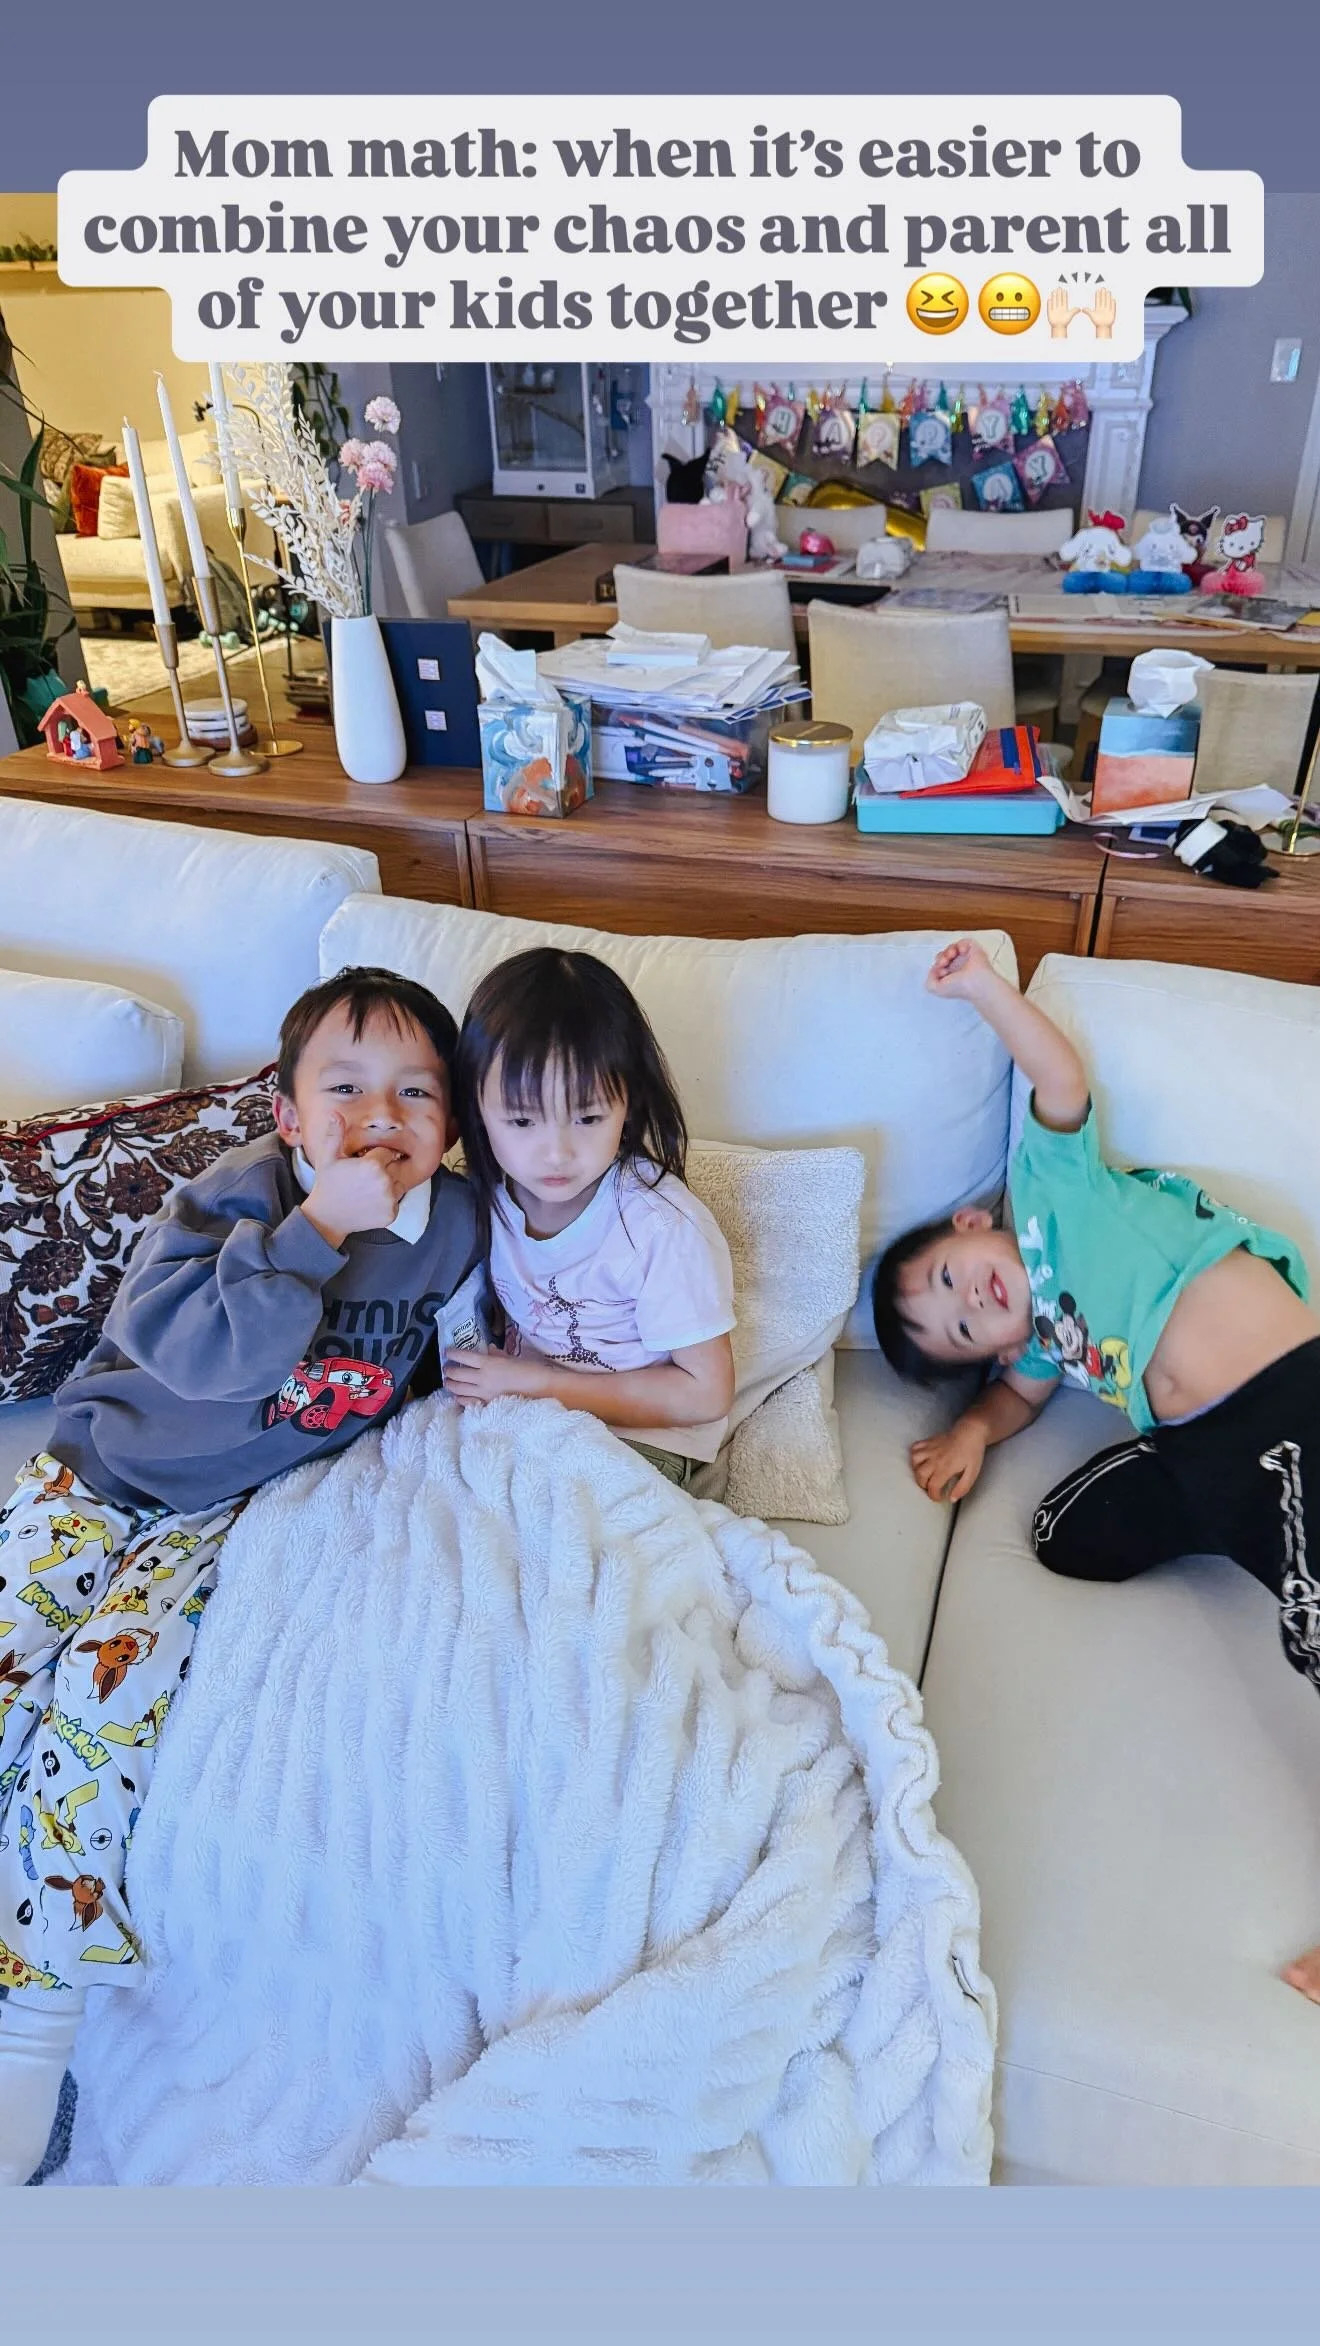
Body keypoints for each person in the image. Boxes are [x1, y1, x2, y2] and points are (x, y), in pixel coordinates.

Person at [0, 965, 482, 2186]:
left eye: (416, 1093)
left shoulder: (458, 1227)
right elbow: (216, 1363)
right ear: (287, 1116)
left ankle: (33, 2030)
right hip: (103, 1469)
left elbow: (473, 1351)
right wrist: (317, 1229)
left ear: (454, 1122)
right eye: (346, 1089)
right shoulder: (232, 1197)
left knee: (101, 1714)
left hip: (224, 1517)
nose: (380, 1118)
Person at [872, 936, 1320, 2009]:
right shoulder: (1038, 1348)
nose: (973, 1304)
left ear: (973, 1226)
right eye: (961, 1329)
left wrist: (984, 990)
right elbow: (1024, 1398)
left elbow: (1058, 1075)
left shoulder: (1049, 1190)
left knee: (1309, 1618)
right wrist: (976, 1429)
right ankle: (1196, 1505)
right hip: (1205, 1452)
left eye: (954, 1278)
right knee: (1063, 1540)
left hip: (1293, 1400)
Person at [449, 947, 735, 1487]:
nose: (556, 1154)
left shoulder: (660, 1228)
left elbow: (706, 1393)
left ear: (629, 1104)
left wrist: (531, 1384)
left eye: (587, 1117)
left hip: (645, 1437)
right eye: (522, 1121)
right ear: (477, 1110)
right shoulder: (485, 1194)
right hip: (527, 1415)